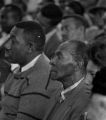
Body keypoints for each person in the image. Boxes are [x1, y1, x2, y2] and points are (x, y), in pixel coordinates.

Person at [0, 21, 62, 120]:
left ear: (30, 47)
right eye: (8, 39)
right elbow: (6, 110)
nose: (7, 46)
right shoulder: (19, 69)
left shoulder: (42, 78)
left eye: (13, 41)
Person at [43, 40, 91, 120]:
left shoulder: (86, 101)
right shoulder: (57, 92)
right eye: (53, 57)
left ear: (78, 63)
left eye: (59, 57)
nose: (51, 61)